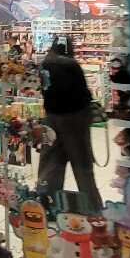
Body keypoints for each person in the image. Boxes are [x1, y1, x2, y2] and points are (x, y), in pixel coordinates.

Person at [37, 39, 102, 212]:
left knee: (50, 166)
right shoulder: (71, 65)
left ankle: (46, 208)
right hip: (75, 120)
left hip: (52, 118)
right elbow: (83, 94)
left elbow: (43, 89)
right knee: (82, 168)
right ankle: (93, 210)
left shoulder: (44, 64)